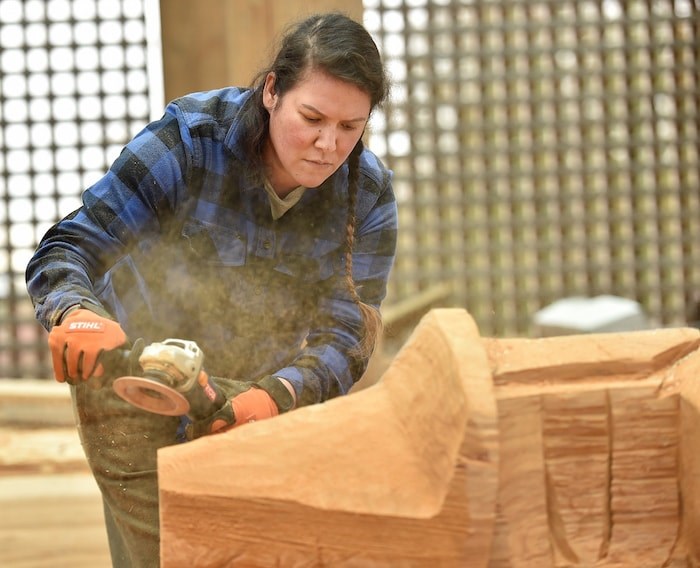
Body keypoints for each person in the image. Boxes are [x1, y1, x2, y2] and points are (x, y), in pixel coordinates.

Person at [25, 11, 397, 567]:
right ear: (272, 90)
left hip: (253, 398)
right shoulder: (187, 142)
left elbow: (347, 334)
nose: (328, 144)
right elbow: (69, 247)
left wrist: (277, 395)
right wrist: (75, 312)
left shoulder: (364, 194)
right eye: (313, 117)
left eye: (350, 127)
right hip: (131, 381)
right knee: (165, 557)